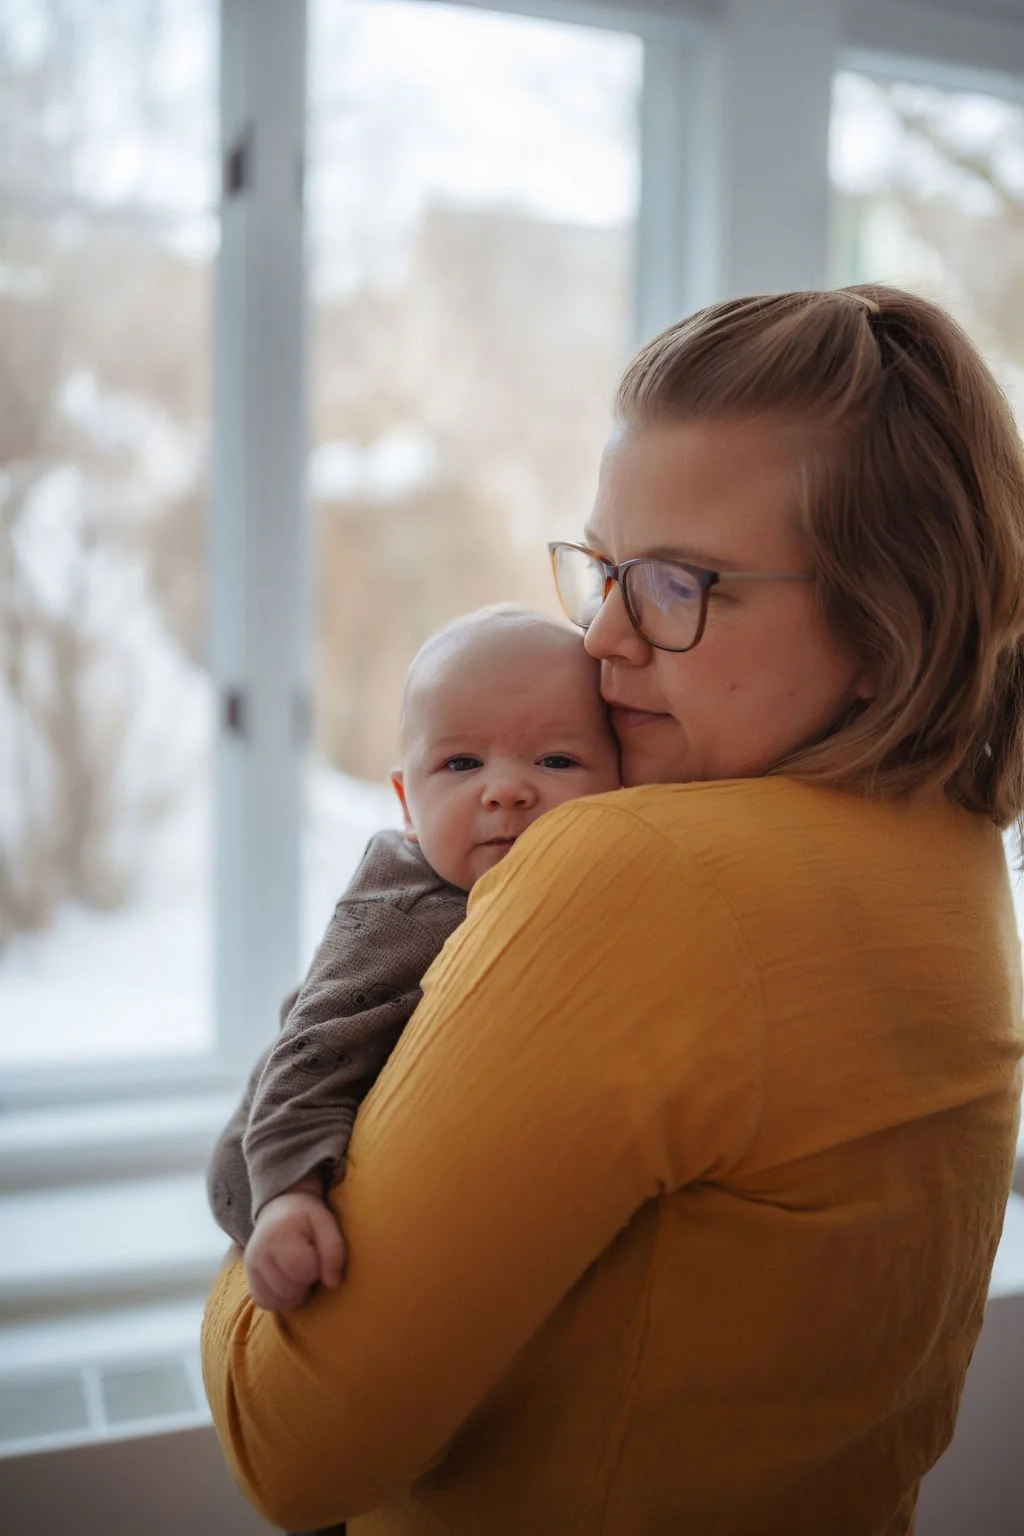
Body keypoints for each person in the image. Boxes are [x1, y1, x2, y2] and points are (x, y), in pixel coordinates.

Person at [202, 285, 1024, 1536]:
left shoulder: (633, 870)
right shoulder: (949, 858)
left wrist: (255, 1186)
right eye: (603, 569)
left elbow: (285, 1443)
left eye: (680, 585)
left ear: (885, 622)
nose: (600, 639)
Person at [206, 605, 621, 1314]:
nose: (506, 789)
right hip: (273, 1145)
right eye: (462, 763)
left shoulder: (573, 881)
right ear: (406, 801)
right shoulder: (401, 910)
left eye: (556, 760)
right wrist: (285, 1198)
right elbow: (309, 1054)